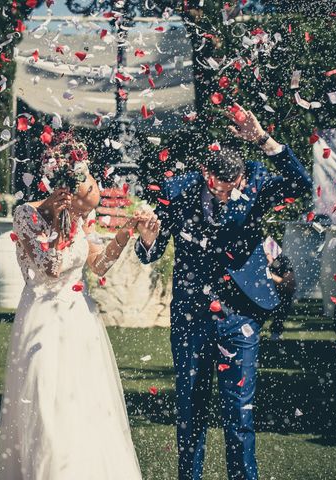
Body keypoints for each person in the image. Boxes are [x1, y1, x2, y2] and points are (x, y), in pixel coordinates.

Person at [134, 104, 313, 480]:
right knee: (190, 411)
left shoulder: (255, 183)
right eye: (224, 188)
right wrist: (149, 241)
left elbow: (301, 184)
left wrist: (262, 139)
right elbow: (148, 252)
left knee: (239, 413)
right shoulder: (177, 192)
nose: (232, 196)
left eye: (238, 187)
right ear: (206, 176)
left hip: (240, 314)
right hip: (191, 317)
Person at [0, 132, 145, 480]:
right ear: (64, 194)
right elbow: (51, 268)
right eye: (82, 207)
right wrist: (60, 224)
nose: (85, 214)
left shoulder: (82, 218)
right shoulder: (26, 216)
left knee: (84, 404)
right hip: (42, 317)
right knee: (44, 403)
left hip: (78, 318)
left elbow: (99, 265)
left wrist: (124, 234)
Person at [264, 237, 296, 341]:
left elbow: (289, 284)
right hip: (262, 292)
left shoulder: (283, 260)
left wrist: (269, 275)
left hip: (279, 293)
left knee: (283, 303)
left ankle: (276, 330)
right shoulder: (258, 259)